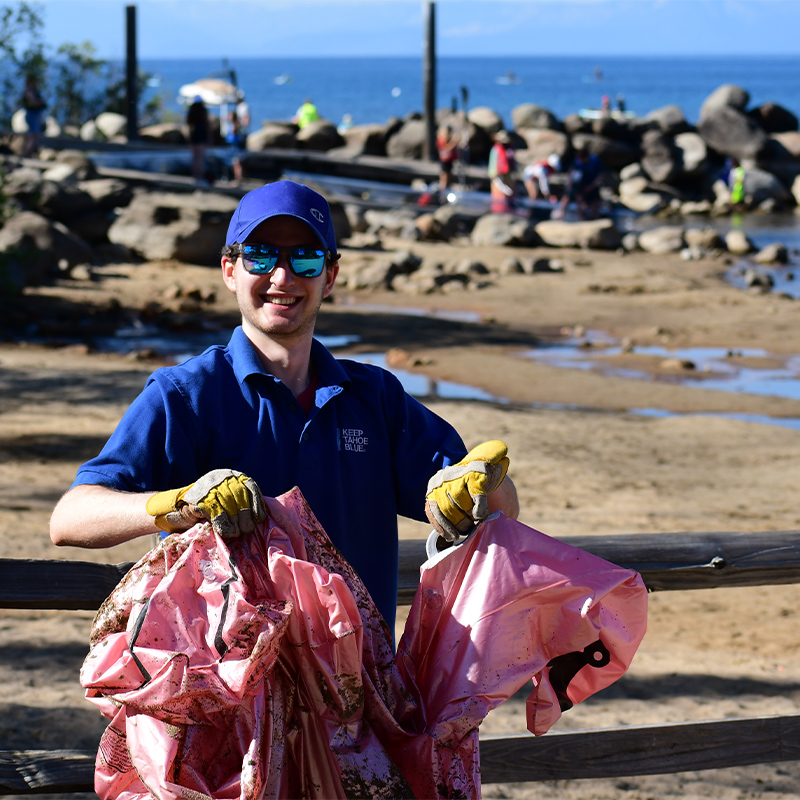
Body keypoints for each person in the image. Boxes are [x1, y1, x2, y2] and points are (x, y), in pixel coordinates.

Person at [49, 180, 519, 630]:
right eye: (260, 255)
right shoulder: (184, 395)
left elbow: (502, 509)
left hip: (358, 691)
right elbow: (71, 518)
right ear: (229, 270)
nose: (282, 276)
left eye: (306, 259)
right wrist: (177, 505)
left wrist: (478, 487)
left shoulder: (375, 397)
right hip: (225, 692)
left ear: (329, 276)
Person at [558, 148, 605, 220]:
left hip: (592, 184)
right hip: (581, 184)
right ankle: (564, 216)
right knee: (575, 199)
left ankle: (594, 218)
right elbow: (571, 172)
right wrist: (569, 184)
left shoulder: (594, 160)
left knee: (596, 202)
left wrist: (591, 186)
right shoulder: (577, 161)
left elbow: (600, 175)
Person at [488, 130, 517, 213]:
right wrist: (494, 175)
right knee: (499, 193)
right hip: (498, 174)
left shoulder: (508, 150)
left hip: (508, 173)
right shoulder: (496, 149)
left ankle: (508, 209)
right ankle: (499, 210)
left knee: (509, 192)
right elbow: (493, 163)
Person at [186, 95, 210, 182]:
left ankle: (195, 176)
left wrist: (188, 138)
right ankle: (200, 176)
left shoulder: (191, 112)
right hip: (201, 135)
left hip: (194, 135)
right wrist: (209, 136)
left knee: (195, 157)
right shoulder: (203, 111)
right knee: (200, 157)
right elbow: (207, 124)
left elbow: (188, 125)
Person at [21, 75, 46, 157]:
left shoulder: (33, 92)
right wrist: (40, 102)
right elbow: (34, 103)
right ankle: (26, 154)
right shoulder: (29, 92)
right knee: (33, 136)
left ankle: (30, 153)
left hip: (34, 115)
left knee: (35, 136)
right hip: (31, 115)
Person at [435, 123, 460, 195]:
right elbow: (447, 149)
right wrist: (454, 141)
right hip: (444, 160)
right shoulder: (441, 139)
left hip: (450, 160)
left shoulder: (447, 138)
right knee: (444, 176)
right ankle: (442, 191)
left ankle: (446, 189)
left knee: (449, 175)